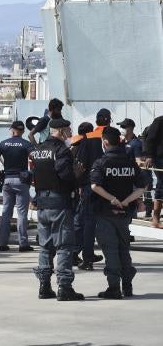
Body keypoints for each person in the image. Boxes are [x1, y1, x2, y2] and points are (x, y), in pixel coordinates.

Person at [31, 118, 84, 301]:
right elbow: (65, 174)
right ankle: (64, 286)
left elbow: (35, 176)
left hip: (42, 202)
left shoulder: (38, 150)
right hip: (59, 202)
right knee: (64, 246)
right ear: (60, 131)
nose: (70, 133)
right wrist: (77, 175)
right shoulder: (62, 150)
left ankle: (44, 286)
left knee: (45, 246)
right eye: (68, 130)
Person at [91, 127, 146, 298]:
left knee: (110, 250)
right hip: (124, 213)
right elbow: (142, 186)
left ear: (105, 142)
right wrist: (128, 200)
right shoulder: (130, 163)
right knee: (124, 248)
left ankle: (114, 287)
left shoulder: (101, 163)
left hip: (106, 212)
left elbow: (94, 186)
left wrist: (112, 199)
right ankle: (127, 286)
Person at [0, 120, 35, 252]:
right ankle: (23, 244)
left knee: (6, 213)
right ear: (23, 131)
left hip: (7, 181)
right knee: (21, 214)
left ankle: (3, 243)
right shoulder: (26, 144)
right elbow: (35, 159)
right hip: (22, 182)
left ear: (12, 130)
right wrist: (32, 172)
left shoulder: (3, 144)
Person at [74, 108, 111, 270]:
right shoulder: (116, 137)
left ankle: (87, 258)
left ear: (96, 121)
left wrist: (81, 185)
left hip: (90, 186)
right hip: (111, 188)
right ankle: (114, 259)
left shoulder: (87, 139)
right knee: (112, 224)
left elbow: (80, 165)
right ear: (109, 120)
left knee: (88, 223)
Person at [141, 116, 163, 228]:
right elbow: (150, 139)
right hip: (159, 158)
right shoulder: (159, 121)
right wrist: (149, 156)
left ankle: (156, 219)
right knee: (161, 184)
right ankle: (155, 219)